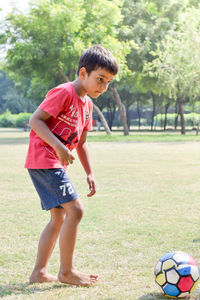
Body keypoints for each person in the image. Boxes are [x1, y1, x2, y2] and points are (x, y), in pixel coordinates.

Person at [25, 45, 118, 286]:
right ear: (83, 73)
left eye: (108, 82)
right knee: (75, 210)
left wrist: (90, 173)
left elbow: (82, 143)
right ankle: (66, 272)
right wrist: (58, 147)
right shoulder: (64, 92)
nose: (103, 87)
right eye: (100, 79)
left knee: (58, 217)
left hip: (53, 162)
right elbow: (35, 121)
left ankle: (39, 272)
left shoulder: (87, 105)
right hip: (44, 159)